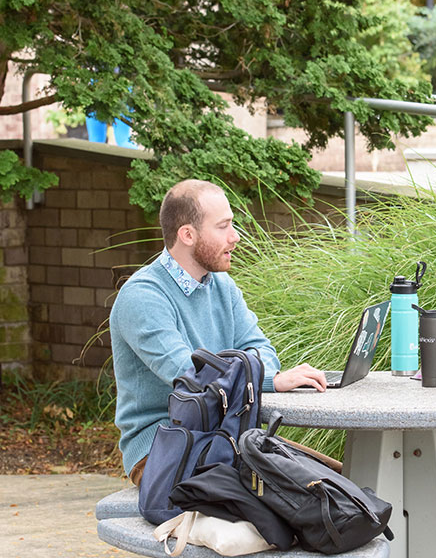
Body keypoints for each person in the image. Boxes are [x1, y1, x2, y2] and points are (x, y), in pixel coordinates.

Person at [110, 179, 328, 486]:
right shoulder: (143, 297)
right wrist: (267, 380)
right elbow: (191, 377)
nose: (235, 237)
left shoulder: (222, 286)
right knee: (307, 496)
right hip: (164, 453)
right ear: (187, 234)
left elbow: (261, 349)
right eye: (223, 226)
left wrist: (257, 373)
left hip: (225, 439)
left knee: (337, 480)